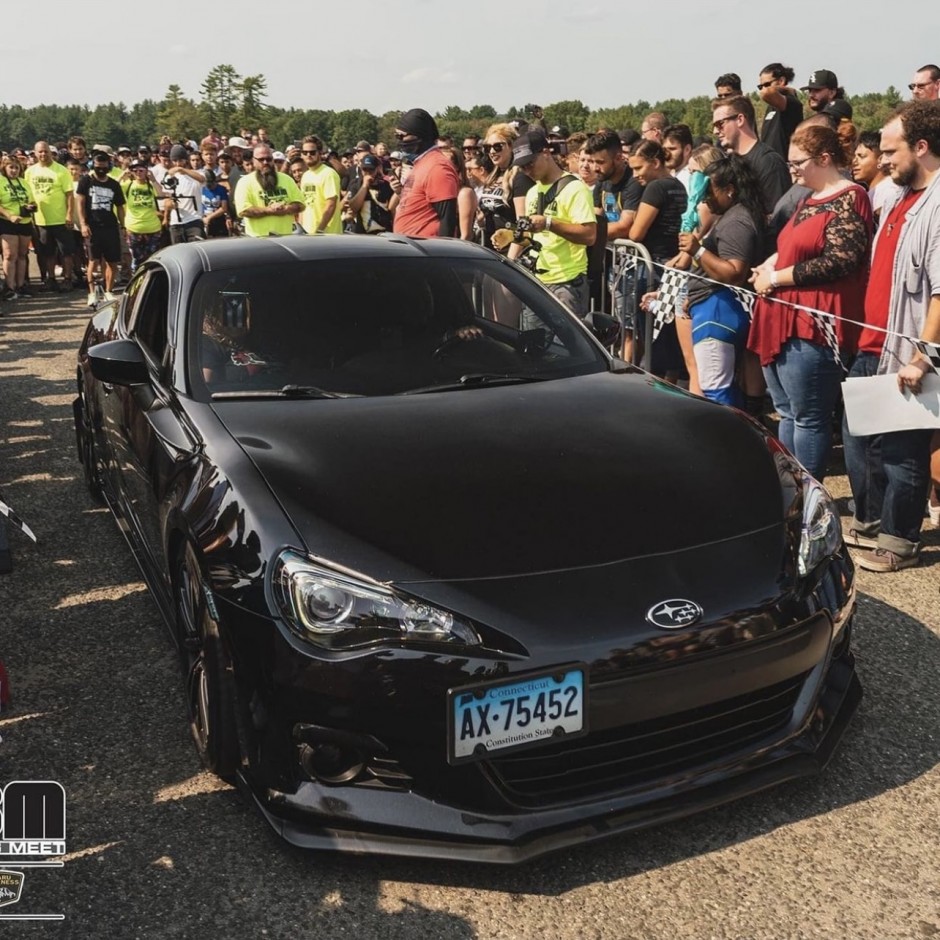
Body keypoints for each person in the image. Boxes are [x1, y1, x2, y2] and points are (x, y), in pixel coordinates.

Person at [842, 100, 940, 572]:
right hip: (875, 344)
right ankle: (874, 523)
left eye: (889, 150)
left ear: (920, 147)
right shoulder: (900, 198)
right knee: (865, 442)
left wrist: (922, 356)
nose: (882, 160)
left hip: (908, 353)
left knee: (904, 450)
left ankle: (900, 540)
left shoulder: (936, 205)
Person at [749, 123, 873, 482]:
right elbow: (791, 248)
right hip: (780, 316)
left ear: (824, 158)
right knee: (787, 412)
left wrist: (776, 278)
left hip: (813, 323)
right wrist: (770, 264)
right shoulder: (807, 199)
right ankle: (791, 488)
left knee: (808, 416)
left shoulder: (851, 196)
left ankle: (810, 494)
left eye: (798, 162)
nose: (792, 170)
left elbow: (841, 260)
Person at [675, 155, 766, 405]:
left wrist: (697, 250)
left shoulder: (736, 220)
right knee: (718, 386)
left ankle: (729, 440)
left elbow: (734, 272)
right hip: (711, 306)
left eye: (710, 191)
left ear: (729, 190)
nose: (706, 198)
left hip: (718, 312)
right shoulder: (731, 216)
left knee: (716, 391)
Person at [511, 128, 596, 317]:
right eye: (522, 167)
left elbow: (589, 235)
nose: (527, 170)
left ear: (546, 153)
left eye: (530, 163)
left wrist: (549, 223)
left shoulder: (575, 188)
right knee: (534, 344)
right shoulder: (533, 191)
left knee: (565, 346)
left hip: (567, 282)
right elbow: (529, 236)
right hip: (535, 281)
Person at [712, 96, 791, 220]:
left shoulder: (768, 161)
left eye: (720, 124)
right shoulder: (731, 161)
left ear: (740, 119)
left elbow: (779, 216)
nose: (715, 131)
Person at [392, 108, 459, 238]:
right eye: (396, 136)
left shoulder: (437, 167)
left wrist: (440, 256)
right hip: (410, 248)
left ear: (420, 135)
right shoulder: (421, 164)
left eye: (402, 136)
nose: (399, 141)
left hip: (426, 251)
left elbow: (447, 220)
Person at [75, 151, 126, 305]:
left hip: (110, 226)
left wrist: (123, 226)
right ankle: (91, 293)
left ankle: (109, 291)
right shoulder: (86, 181)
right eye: (98, 167)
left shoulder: (113, 184)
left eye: (104, 167)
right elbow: (81, 203)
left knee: (112, 261)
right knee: (93, 260)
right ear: (93, 166)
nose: (101, 170)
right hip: (92, 226)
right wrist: (83, 223)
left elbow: (120, 207)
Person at [25, 140, 75, 291]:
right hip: (41, 220)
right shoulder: (29, 172)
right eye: (40, 151)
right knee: (48, 252)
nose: (43, 154)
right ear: (35, 153)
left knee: (66, 252)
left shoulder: (61, 170)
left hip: (60, 219)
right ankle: (51, 279)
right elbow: (27, 194)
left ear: (50, 152)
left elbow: (69, 195)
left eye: (45, 151)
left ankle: (67, 279)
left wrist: (69, 215)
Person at [475, 122, 530, 254]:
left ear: (511, 146)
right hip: (490, 251)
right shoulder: (493, 177)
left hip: (511, 253)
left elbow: (523, 225)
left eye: (498, 146)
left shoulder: (519, 177)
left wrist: (512, 260)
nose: (492, 152)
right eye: (488, 148)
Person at [233, 145, 304, 238]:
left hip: (286, 238)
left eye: (269, 159)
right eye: (261, 159)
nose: (265, 162)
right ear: (254, 161)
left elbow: (300, 205)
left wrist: (285, 209)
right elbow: (244, 211)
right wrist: (269, 210)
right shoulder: (244, 182)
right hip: (257, 239)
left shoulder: (287, 179)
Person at [0, 156, 36, 299]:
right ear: (5, 168)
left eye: (16, 168)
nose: (14, 170)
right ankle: (9, 287)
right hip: (7, 222)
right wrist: (10, 216)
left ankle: (21, 286)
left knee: (22, 255)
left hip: (25, 221)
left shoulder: (24, 183)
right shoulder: (1, 181)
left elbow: (31, 199)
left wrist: (31, 206)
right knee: (10, 255)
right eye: (11, 167)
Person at [120, 159, 163, 272]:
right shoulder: (128, 185)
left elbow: (161, 194)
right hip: (134, 227)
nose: (138, 173)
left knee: (152, 259)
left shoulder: (150, 185)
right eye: (135, 171)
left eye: (141, 170)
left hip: (152, 227)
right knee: (137, 260)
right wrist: (122, 176)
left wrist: (153, 180)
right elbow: (113, 188)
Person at [758, 63, 804, 159]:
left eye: (767, 84)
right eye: (760, 86)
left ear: (781, 81)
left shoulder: (791, 103)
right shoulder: (771, 106)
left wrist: (786, 90)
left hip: (783, 163)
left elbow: (765, 93)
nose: (763, 89)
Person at [299, 135, 343, 235]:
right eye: (305, 153)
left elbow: (330, 205)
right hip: (307, 234)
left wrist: (319, 230)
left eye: (312, 152)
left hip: (327, 235)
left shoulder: (329, 173)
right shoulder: (305, 175)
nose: (308, 155)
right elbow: (303, 205)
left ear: (320, 153)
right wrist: (301, 229)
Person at [163, 144, 206, 244]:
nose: (178, 163)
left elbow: (202, 179)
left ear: (186, 160)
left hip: (194, 219)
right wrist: (168, 210)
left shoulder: (198, 172)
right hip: (176, 222)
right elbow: (167, 199)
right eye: (175, 161)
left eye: (180, 160)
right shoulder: (169, 177)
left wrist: (182, 170)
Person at [345, 154, 398, 234]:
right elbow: (353, 207)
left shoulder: (385, 185)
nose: (367, 173)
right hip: (362, 232)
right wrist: (365, 186)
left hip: (384, 232)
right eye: (364, 170)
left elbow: (392, 209)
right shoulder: (356, 184)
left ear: (377, 169)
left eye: (371, 170)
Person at [202, 169, 230, 238]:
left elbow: (224, 208)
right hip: (204, 219)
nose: (210, 186)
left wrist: (210, 217)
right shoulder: (201, 189)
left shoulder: (221, 189)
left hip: (218, 219)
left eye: (211, 183)